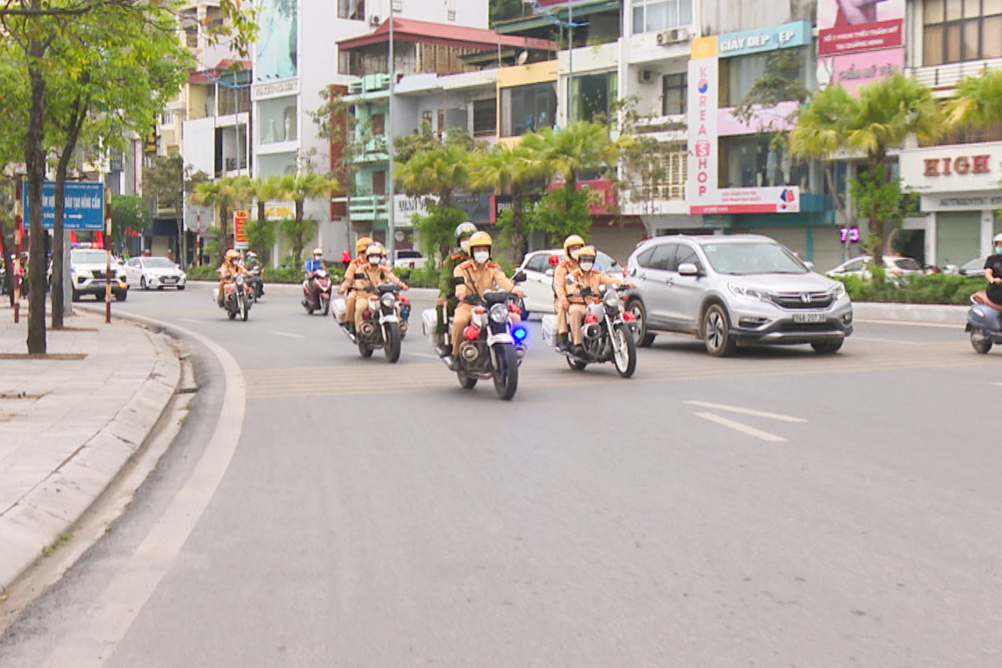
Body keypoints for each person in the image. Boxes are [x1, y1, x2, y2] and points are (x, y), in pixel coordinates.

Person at [450, 231, 524, 369]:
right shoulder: (461, 269)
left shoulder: (493, 268)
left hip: (489, 306)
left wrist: (514, 291)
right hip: (468, 305)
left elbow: (503, 281)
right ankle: (456, 356)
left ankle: (514, 349)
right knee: (459, 322)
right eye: (478, 249)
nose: (481, 252)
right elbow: (460, 286)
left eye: (484, 249)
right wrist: (461, 294)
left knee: (515, 318)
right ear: (471, 251)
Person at [565, 246, 632, 355]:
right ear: (579, 261)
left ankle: (616, 338)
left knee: (619, 309)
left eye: (589, 260)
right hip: (580, 303)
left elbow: (609, 280)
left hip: (595, 303)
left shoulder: (597, 275)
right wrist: (576, 290)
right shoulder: (574, 276)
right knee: (575, 312)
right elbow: (570, 287)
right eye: (584, 260)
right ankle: (577, 344)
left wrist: (623, 284)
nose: (587, 263)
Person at [342, 242, 408, 332]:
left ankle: (399, 327)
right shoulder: (361, 269)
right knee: (360, 307)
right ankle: (360, 331)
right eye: (372, 256)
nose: (374, 258)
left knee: (396, 306)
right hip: (365, 296)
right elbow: (358, 281)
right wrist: (361, 286)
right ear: (368, 257)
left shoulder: (384, 269)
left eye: (377, 256)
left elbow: (392, 278)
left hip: (381, 296)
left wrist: (402, 285)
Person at [435, 221, 477, 356]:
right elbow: (445, 278)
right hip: (458, 296)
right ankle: (444, 340)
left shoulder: (482, 257)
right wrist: (443, 295)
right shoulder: (454, 260)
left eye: (469, 238)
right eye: (464, 239)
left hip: (480, 297)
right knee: (442, 308)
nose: (467, 241)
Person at [553, 234, 585, 351]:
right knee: (563, 307)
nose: (576, 251)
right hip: (566, 298)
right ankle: (563, 337)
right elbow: (559, 287)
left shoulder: (586, 263)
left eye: (579, 248)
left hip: (584, 299)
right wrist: (564, 299)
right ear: (568, 251)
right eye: (573, 249)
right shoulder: (562, 268)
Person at [337, 236, 373, 332]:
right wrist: (343, 288)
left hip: (374, 291)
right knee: (350, 300)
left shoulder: (376, 263)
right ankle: (350, 322)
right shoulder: (355, 264)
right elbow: (348, 280)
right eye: (363, 252)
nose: (365, 254)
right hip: (358, 291)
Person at [983, 233, 1002, 305]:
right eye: (998, 245)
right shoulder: (992, 259)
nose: (1000, 247)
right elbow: (988, 272)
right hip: (996, 289)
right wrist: (993, 280)